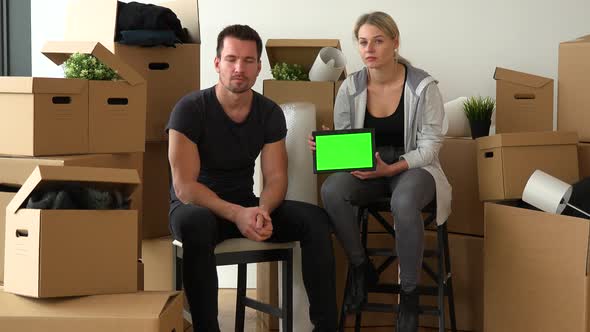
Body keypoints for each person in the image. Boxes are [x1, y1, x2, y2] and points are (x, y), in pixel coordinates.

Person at [167, 24, 338, 332]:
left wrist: (263, 211)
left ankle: (326, 326)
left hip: (246, 205)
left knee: (315, 219)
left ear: (259, 67)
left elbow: (276, 178)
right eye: (231, 59)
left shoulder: (269, 112)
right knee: (197, 223)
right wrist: (238, 214)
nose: (239, 68)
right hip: (196, 206)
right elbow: (185, 187)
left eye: (248, 61)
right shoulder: (190, 109)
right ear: (217, 63)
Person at [309, 12, 452, 332]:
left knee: (403, 202)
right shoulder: (350, 87)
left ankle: (409, 297)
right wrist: (330, 146)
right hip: (369, 169)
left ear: (395, 42)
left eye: (378, 40)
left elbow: (431, 146)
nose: (369, 48)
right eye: (363, 42)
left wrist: (393, 167)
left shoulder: (423, 86)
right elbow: (348, 140)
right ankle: (362, 267)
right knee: (332, 190)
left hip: (414, 166)